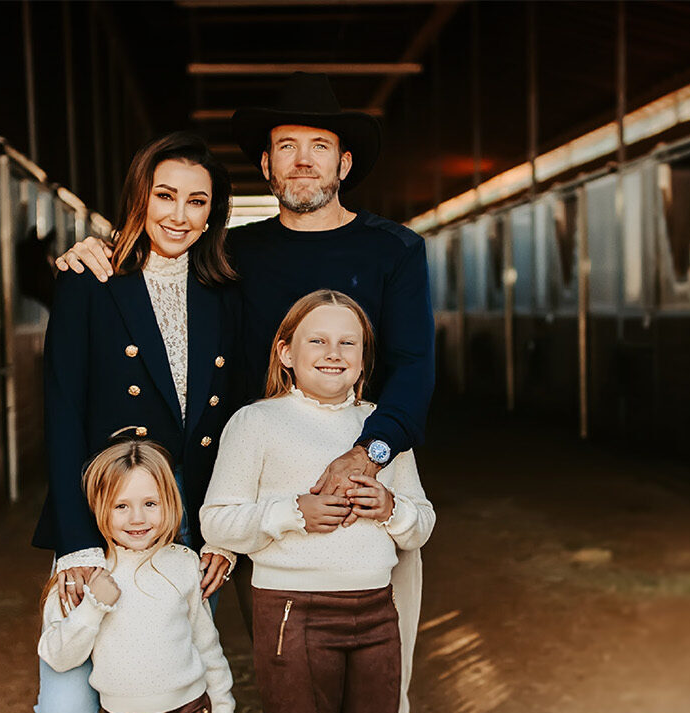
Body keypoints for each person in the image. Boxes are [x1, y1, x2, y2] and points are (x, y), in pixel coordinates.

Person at [57, 72, 437, 712]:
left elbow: (414, 369)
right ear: (265, 163)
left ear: (344, 162)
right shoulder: (228, 255)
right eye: (286, 145)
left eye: (320, 145)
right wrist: (96, 254)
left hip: (369, 486)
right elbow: (162, 281)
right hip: (258, 492)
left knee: (381, 682)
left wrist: (367, 456)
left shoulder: (394, 250)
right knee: (282, 669)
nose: (303, 160)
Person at [31, 131, 242, 713]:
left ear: (212, 213)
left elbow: (237, 426)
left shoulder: (224, 292)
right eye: (164, 195)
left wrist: (220, 533)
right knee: (67, 705)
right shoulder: (89, 280)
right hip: (102, 518)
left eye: (196, 201)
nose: (178, 215)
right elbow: (64, 411)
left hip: (186, 526)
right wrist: (77, 546)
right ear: (140, 197)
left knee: (169, 693)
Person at [200, 290, 436, 713]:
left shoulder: (383, 429)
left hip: (377, 609)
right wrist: (293, 513)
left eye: (348, 343)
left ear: (364, 360)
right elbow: (217, 522)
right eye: (317, 341)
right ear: (285, 352)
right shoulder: (255, 422)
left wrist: (389, 508)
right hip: (292, 610)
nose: (334, 353)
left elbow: (422, 524)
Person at [39, 439, 235, 713]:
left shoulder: (184, 563)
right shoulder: (83, 573)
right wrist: (93, 607)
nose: (137, 518)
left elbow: (207, 645)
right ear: (98, 506)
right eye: (121, 506)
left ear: (169, 502)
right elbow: (58, 658)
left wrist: (223, 706)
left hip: (190, 707)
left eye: (150, 503)